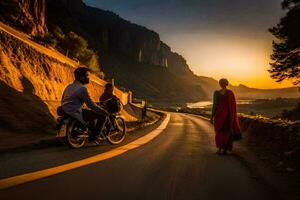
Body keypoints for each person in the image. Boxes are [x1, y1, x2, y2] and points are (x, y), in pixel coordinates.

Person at [61, 66, 108, 142]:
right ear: (82, 77)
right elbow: (91, 105)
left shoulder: (69, 86)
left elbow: (63, 99)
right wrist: (102, 110)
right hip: (76, 112)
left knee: (88, 112)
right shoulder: (82, 89)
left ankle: (88, 130)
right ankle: (94, 137)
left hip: (65, 109)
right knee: (103, 115)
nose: (89, 78)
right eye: (87, 75)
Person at [210, 78, 241, 155]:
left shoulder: (216, 93)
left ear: (220, 84)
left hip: (219, 115)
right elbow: (233, 106)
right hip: (228, 116)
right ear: (226, 84)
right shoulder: (230, 93)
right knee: (227, 132)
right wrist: (232, 117)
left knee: (219, 132)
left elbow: (214, 106)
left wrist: (212, 116)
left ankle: (220, 149)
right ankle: (225, 150)